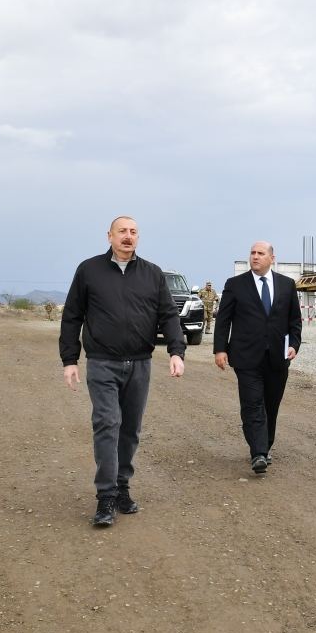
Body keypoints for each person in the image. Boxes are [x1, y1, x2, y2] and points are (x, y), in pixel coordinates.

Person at [60, 216, 186, 527]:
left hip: (140, 364)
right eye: (122, 232)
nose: (128, 237)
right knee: (107, 424)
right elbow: (72, 316)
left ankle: (122, 487)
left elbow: (168, 314)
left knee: (129, 430)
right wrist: (70, 359)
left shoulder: (152, 274)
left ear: (138, 238)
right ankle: (105, 498)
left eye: (133, 232)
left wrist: (176, 351)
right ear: (109, 236)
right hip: (103, 362)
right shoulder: (89, 270)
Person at [213, 241, 302, 474]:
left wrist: (294, 345)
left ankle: (266, 445)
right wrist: (220, 349)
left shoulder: (286, 285)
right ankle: (258, 452)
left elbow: (295, 321)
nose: (255, 257)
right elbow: (224, 320)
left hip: (277, 357)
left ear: (271, 258)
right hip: (245, 357)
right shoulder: (235, 285)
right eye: (252, 253)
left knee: (271, 405)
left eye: (260, 254)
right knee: (253, 404)